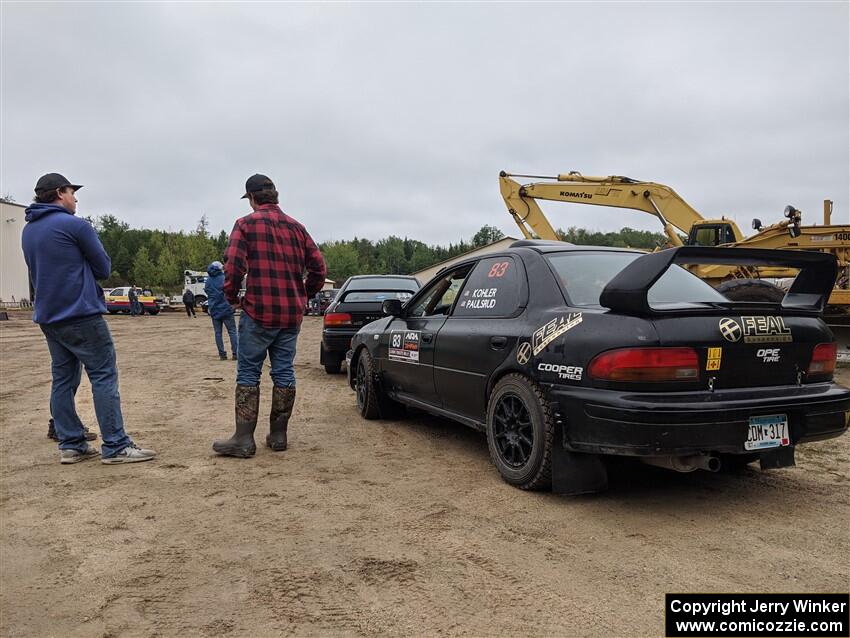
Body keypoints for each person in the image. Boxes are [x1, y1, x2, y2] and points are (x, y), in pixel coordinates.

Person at [21, 173, 156, 464]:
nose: (76, 198)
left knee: (63, 379)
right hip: (81, 314)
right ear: (59, 193)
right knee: (104, 375)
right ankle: (116, 446)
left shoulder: (28, 231)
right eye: (72, 192)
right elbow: (103, 267)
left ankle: (71, 445)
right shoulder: (76, 226)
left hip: (49, 317)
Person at [212, 174, 326, 458]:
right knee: (284, 371)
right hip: (290, 316)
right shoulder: (298, 228)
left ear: (252, 198)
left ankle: (243, 439)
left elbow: (233, 266)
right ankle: (278, 435)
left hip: (258, 312)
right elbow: (319, 269)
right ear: (275, 196)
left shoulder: (245, 224)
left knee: (249, 372)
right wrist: (303, 294)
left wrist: (231, 298)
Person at [204, 260, 238, 360]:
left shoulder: (208, 281)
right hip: (226, 308)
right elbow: (231, 291)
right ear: (220, 269)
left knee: (218, 333)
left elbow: (207, 291)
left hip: (214, 309)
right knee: (232, 331)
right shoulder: (224, 278)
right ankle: (235, 354)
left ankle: (222, 354)